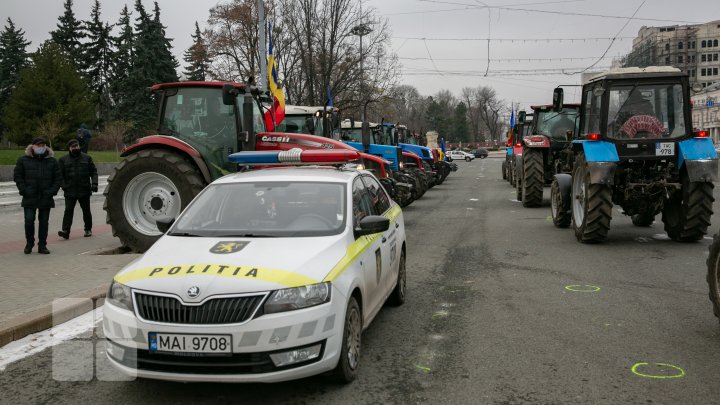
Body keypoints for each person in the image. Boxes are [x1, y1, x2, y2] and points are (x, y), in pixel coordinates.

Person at [13, 137, 61, 254]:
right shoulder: (23, 160)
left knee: (44, 222)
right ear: (32, 146)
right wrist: (24, 190)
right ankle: (29, 243)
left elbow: (58, 178)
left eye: (43, 145)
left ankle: (42, 245)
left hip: (46, 196)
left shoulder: (52, 161)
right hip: (29, 196)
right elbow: (18, 176)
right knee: (29, 220)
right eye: (38, 145)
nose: (41, 147)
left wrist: (52, 191)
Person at [58, 139, 98, 239]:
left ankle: (88, 229)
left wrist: (94, 183)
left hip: (84, 189)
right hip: (70, 190)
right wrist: (64, 186)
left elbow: (93, 172)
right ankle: (65, 231)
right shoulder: (63, 160)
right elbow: (59, 175)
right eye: (73, 147)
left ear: (79, 146)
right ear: (69, 148)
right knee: (68, 211)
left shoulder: (87, 158)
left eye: (77, 146)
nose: (75, 148)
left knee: (86, 211)